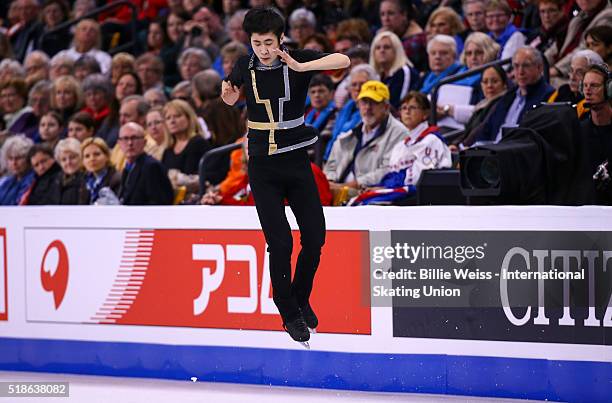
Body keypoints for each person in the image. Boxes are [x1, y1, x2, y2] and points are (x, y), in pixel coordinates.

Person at [222, 7, 350, 345]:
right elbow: (231, 92)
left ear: (281, 39)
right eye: (256, 43)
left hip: (295, 161)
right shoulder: (244, 66)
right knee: (279, 241)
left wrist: (301, 66)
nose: (263, 50)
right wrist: (229, 96)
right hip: (263, 166)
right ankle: (288, 310)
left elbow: (343, 61)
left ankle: (300, 295)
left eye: (269, 42)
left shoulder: (298, 60)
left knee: (315, 236)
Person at [350, 92, 452, 205]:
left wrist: (385, 188)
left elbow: (418, 178)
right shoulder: (401, 145)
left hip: (422, 195)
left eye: (412, 107)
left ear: (425, 114)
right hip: (401, 191)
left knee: (364, 203)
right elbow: (393, 173)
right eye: (404, 108)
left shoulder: (431, 140)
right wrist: (381, 186)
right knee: (356, 200)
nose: (407, 111)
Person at [324, 80, 407, 190]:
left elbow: (389, 170)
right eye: (364, 102)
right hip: (339, 192)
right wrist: (330, 183)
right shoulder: (349, 134)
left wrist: (345, 187)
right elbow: (331, 166)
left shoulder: (400, 133)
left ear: (386, 107)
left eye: (373, 102)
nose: (367, 107)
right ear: (358, 105)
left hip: (368, 195)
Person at [470, 47, 554, 145]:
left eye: (526, 66)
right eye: (516, 66)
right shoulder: (509, 95)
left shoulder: (548, 97)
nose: (520, 72)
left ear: (539, 68)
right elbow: (486, 129)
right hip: (492, 152)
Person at [117, 122, 174, 205]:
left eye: (134, 138)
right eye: (125, 138)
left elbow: (160, 203)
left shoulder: (152, 167)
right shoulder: (128, 167)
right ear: (119, 143)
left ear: (144, 142)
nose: (130, 143)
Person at [581, 64, 612, 203]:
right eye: (585, 85)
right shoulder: (579, 131)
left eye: (594, 86)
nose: (588, 91)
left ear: (609, 90)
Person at [548, 50, 604, 117]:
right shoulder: (563, 90)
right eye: (571, 70)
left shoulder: (592, 103)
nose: (572, 77)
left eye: (579, 72)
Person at [80, 137, 120, 204]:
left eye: (97, 154)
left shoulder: (117, 179)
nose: (92, 159)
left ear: (107, 156)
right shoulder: (83, 180)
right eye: (87, 156)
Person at [48, 137, 86, 205]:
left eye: (72, 157)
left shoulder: (87, 179)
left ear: (81, 157)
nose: (68, 162)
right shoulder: (55, 180)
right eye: (63, 159)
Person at [0, 135, 35, 205]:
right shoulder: (6, 182)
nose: (14, 163)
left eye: (18, 158)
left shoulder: (33, 180)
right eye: (10, 158)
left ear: (28, 158)